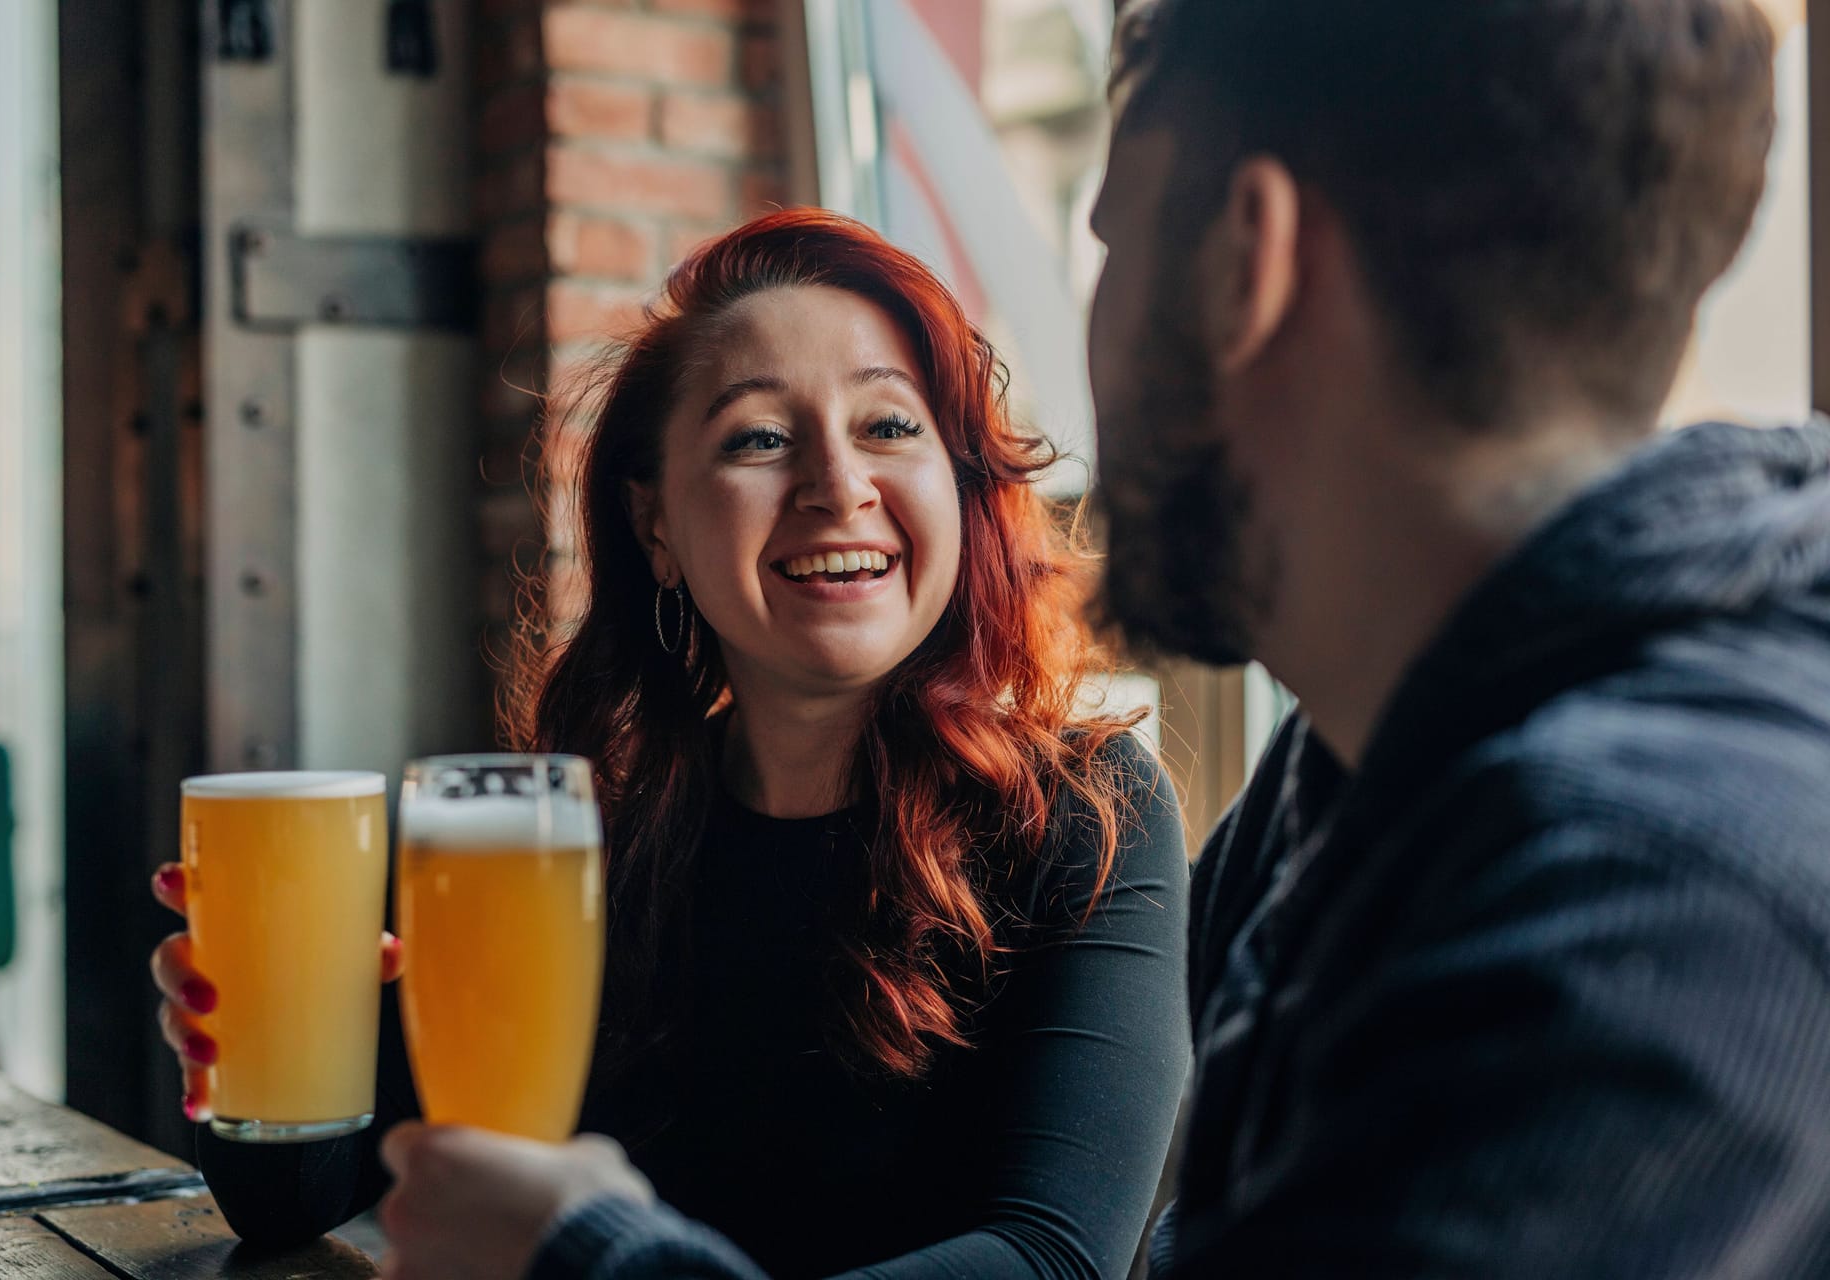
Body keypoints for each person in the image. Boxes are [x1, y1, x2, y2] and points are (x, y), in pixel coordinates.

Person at [369, 0, 1830, 1277]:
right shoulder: (1343, 786)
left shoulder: (1653, 899)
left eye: (1112, 238)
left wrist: (587, 1261)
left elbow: (1059, 1246)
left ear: (1241, 262)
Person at [149, 208, 1192, 1279]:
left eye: (888, 425)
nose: (838, 486)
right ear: (656, 526)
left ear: (962, 489)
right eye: (759, 438)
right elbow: (293, 1203)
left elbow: (1054, 1258)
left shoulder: (1089, 811)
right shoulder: (569, 844)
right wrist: (273, 1066)